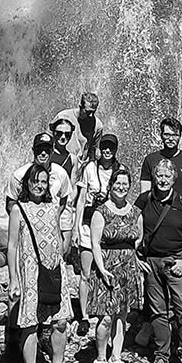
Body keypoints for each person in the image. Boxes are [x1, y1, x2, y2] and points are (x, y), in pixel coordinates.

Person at [135, 158, 182, 363]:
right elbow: (130, 224)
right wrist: (136, 256)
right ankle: (162, 354)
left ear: (174, 178)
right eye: (159, 176)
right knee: (157, 312)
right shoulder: (145, 199)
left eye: (167, 176)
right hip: (152, 262)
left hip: (177, 261)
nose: (163, 180)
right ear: (154, 178)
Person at [7, 164, 73, 363]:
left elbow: (57, 233)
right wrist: (14, 278)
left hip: (54, 270)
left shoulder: (54, 206)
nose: (39, 185)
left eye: (44, 182)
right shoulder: (18, 209)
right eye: (35, 181)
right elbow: (12, 245)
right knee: (30, 323)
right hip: (30, 271)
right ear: (27, 183)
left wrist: (62, 261)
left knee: (61, 321)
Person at [88, 167, 143, 363]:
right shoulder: (101, 212)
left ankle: (116, 357)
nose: (121, 187)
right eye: (117, 183)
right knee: (106, 319)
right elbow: (94, 242)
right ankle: (100, 358)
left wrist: (131, 257)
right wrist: (102, 269)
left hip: (127, 268)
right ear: (110, 185)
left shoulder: (135, 212)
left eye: (125, 184)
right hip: (107, 268)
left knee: (121, 316)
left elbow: (139, 238)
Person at [75, 133, 120, 336]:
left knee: (107, 271)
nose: (108, 151)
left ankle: (105, 310)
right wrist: (76, 227)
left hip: (108, 228)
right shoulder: (89, 169)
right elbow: (81, 198)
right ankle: (84, 316)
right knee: (85, 273)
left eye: (112, 147)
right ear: (100, 148)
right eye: (105, 147)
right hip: (87, 225)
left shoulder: (120, 170)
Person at [6, 132, 70, 218]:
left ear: (52, 151)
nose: (43, 153)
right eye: (39, 149)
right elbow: (10, 205)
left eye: (47, 149)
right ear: (33, 150)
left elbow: (64, 198)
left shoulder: (61, 173)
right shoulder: (18, 175)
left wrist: (55, 217)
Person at [140, 116, 182, 203]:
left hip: (180, 213)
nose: (171, 139)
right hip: (157, 212)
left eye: (175, 135)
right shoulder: (150, 159)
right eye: (167, 135)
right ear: (161, 135)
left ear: (180, 136)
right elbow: (144, 192)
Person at [47, 117, 77, 253]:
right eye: (59, 133)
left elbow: (73, 184)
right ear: (53, 133)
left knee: (64, 249)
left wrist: (70, 202)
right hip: (47, 205)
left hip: (65, 208)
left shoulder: (73, 159)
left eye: (67, 134)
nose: (63, 137)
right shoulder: (45, 154)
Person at [52, 93, 103, 169]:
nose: (91, 116)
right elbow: (47, 138)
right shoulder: (63, 116)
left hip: (80, 167)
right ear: (80, 106)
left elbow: (93, 150)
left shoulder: (97, 126)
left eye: (93, 112)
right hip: (59, 162)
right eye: (88, 112)